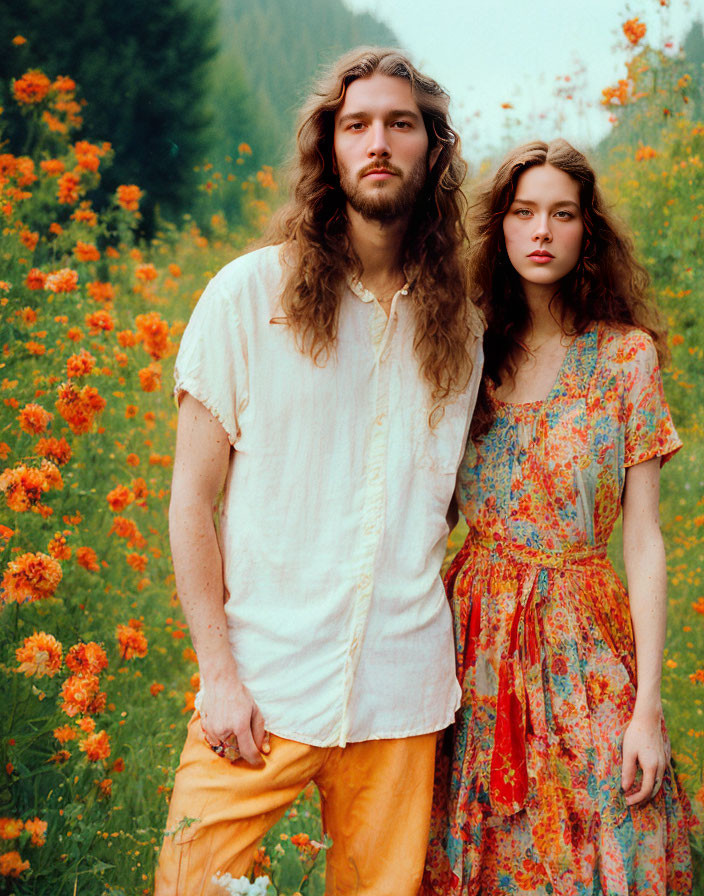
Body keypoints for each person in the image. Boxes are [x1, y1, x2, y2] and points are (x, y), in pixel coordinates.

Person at [154, 47, 483, 896]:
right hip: (259, 686)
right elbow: (191, 501)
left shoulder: (468, 329)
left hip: (401, 697)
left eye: (401, 124)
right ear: (329, 149)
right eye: (357, 123)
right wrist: (218, 676)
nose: (378, 141)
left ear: (434, 149)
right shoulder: (246, 297)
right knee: (187, 884)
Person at [423, 139, 694, 895]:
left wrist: (647, 710)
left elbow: (642, 540)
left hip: (585, 632)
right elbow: (422, 511)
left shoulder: (624, 359)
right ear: (501, 228)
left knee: (617, 826)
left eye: (562, 214)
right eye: (523, 212)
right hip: (469, 642)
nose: (542, 231)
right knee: (475, 844)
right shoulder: (465, 351)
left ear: (587, 231)